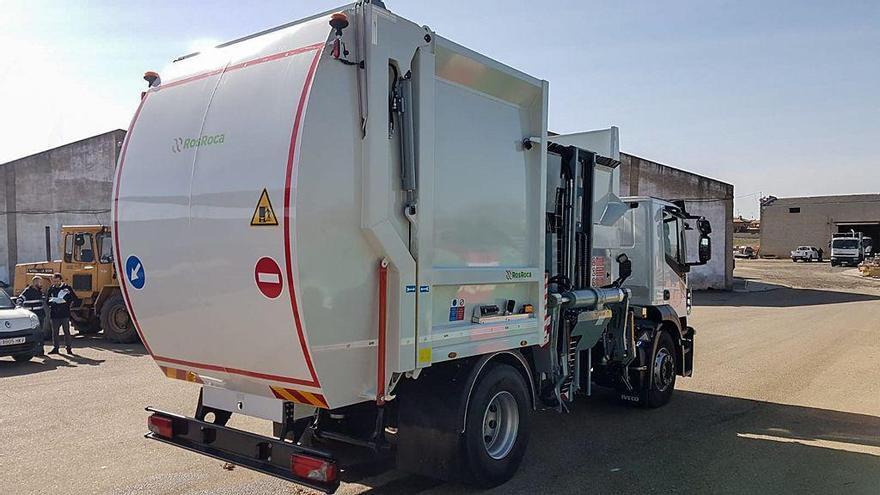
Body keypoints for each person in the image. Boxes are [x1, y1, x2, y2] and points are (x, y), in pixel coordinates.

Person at [46, 273, 78, 355]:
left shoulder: (67, 288)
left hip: (64, 313)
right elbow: (47, 300)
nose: (56, 283)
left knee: (66, 332)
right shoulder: (51, 289)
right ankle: (56, 348)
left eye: (57, 281)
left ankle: (68, 348)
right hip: (54, 314)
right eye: (54, 281)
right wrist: (52, 302)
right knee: (55, 332)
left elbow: (74, 298)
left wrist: (67, 302)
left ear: (61, 280)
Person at [18, 276, 47, 356]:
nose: (41, 284)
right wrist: (19, 307)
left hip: (40, 315)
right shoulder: (27, 291)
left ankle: (40, 351)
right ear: (35, 283)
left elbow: (43, 300)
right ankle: (33, 351)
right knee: (34, 334)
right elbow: (20, 299)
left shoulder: (40, 291)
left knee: (40, 333)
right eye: (39, 283)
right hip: (32, 316)